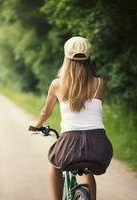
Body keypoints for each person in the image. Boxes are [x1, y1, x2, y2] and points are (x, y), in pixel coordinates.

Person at [29, 36, 113, 200]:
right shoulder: (100, 83)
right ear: (89, 57)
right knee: (87, 171)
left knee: (54, 166)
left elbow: (45, 113)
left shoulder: (57, 84)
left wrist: (36, 125)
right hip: (99, 145)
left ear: (66, 57)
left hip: (70, 143)